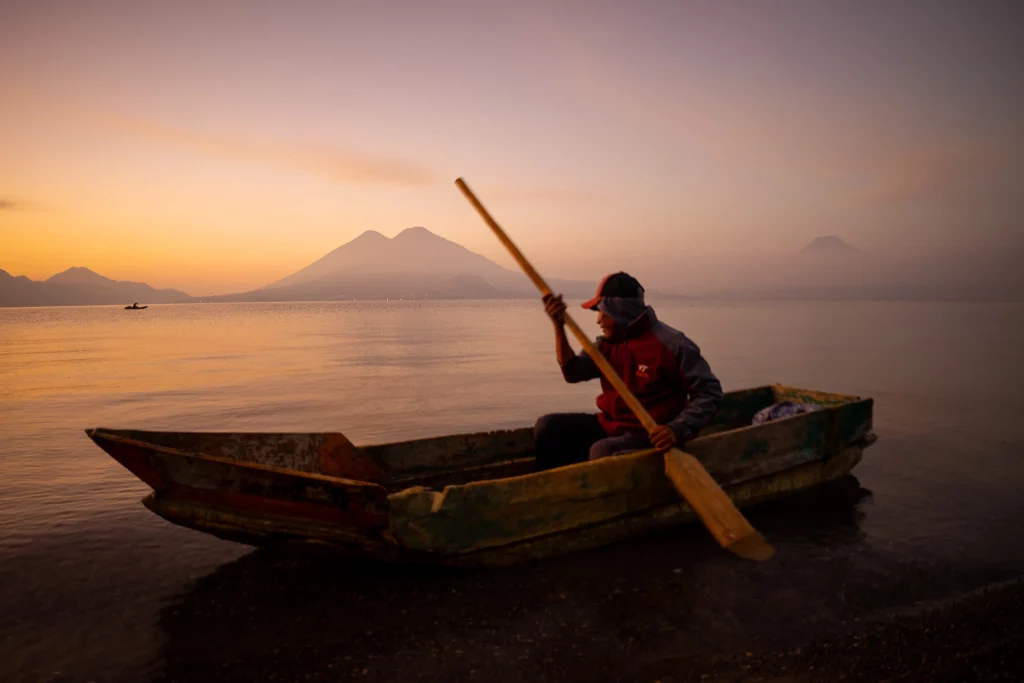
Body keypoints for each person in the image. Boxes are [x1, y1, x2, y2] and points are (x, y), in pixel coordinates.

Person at [535, 272, 723, 470]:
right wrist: (559, 327)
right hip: (611, 425)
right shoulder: (605, 345)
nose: (598, 320)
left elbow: (709, 392)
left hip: (650, 434)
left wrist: (676, 429)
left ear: (619, 311)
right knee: (547, 427)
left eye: (601, 311)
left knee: (602, 451)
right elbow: (572, 373)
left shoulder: (671, 344)